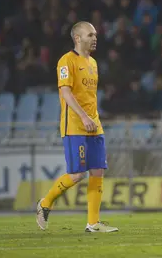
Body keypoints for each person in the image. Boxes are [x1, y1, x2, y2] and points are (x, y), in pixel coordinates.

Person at [36, 22, 118, 233]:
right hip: (75, 124)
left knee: (98, 171)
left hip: (94, 124)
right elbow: (65, 93)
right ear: (78, 38)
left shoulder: (93, 62)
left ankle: (93, 223)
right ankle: (46, 203)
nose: (95, 38)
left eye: (96, 35)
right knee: (77, 174)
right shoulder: (66, 61)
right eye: (90, 35)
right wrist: (83, 117)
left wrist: (93, 118)